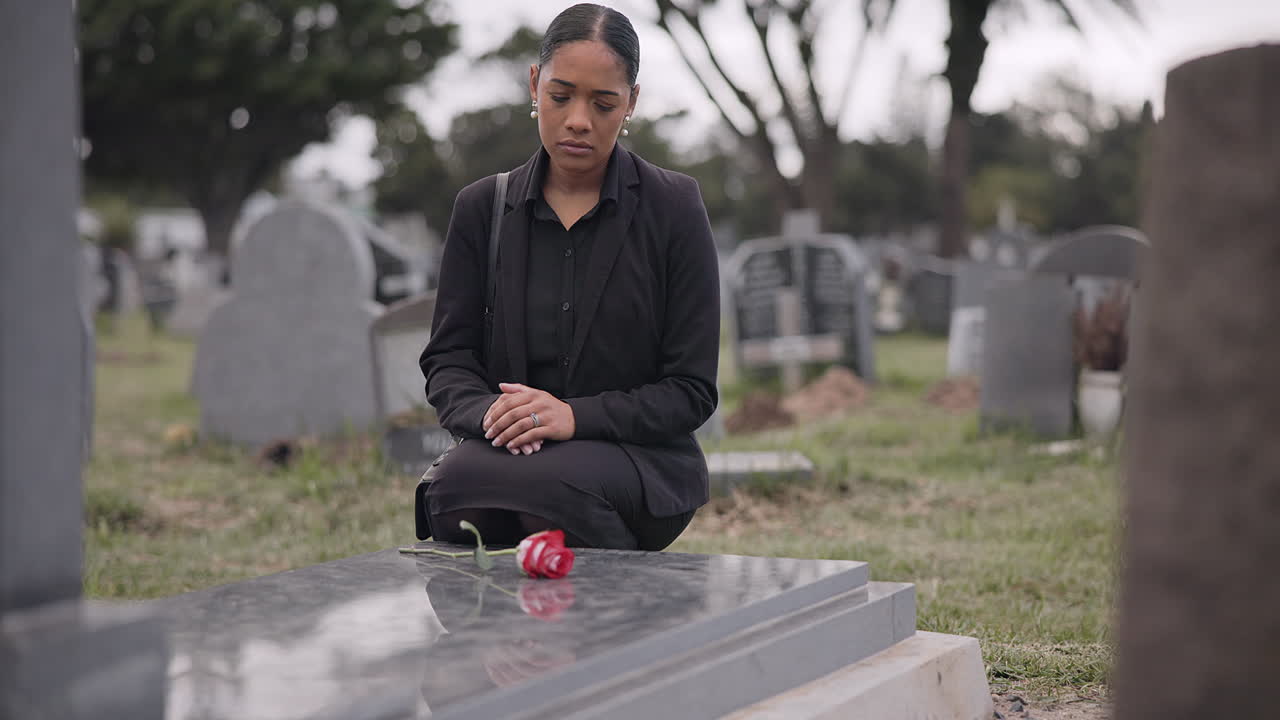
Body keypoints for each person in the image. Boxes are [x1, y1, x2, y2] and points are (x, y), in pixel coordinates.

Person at [418, 3, 719, 552]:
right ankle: (497, 637)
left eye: (603, 103)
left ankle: (617, 625)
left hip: (636, 463)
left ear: (631, 102)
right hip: (507, 454)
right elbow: (448, 360)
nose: (578, 119)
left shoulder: (673, 207)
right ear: (535, 85)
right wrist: (495, 413)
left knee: (549, 494)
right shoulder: (482, 208)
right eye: (561, 96)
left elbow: (690, 391)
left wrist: (570, 417)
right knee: (452, 487)